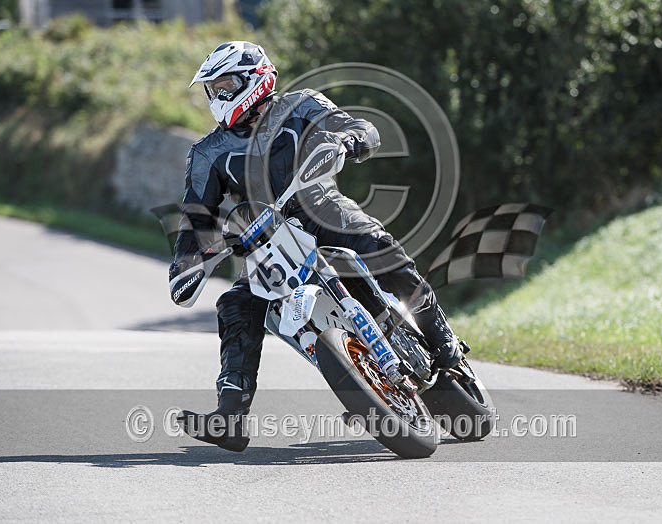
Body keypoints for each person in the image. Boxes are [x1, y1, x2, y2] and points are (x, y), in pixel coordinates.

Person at [170, 41, 462, 451]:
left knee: (381, 248)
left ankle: (446, 352)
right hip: (269, 241)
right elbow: (196, 217)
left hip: (324, 209)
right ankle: (230, 415)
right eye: (213, 89)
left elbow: (354, 125)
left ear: (256, 78)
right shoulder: (206, 153)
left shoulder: (302, 104)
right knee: (236, 303)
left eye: (226, 84)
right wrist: (186, 262)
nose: (218, 95)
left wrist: (353, 139)